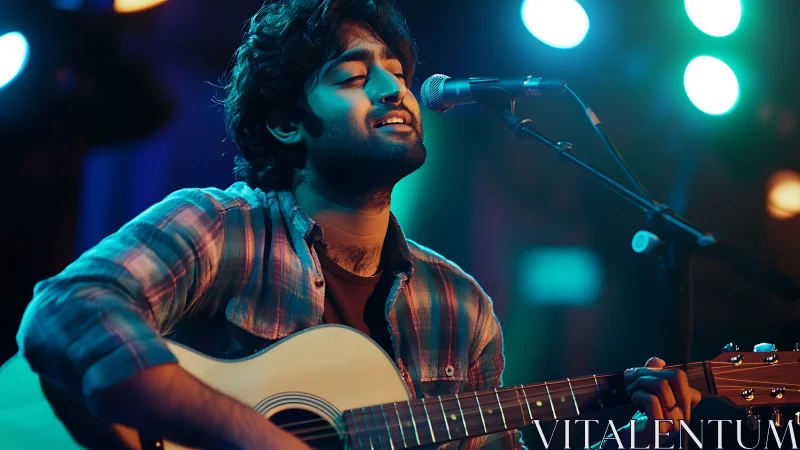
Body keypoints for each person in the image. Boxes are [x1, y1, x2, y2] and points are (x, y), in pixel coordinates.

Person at [15, 0, 700, 448]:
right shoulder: (222, 227)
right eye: (351, 77)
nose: (391, 89)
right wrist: (259, 437)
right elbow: (65, 310)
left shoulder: (461, 308)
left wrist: (634, 437)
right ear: (287, 122)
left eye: (397, 73)